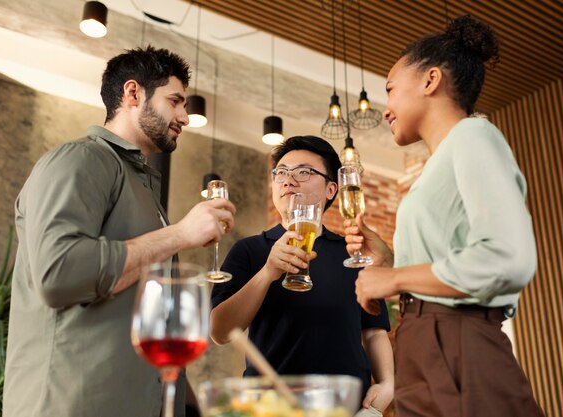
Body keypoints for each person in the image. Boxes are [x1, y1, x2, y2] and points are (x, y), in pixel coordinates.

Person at [2, 46, 235, 417]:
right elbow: (58, 273)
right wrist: (180, 235)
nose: (185, 117)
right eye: (175, 101)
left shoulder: (143, 189)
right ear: (132, 94)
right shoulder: (80, 158)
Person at [344, 15, 545, 417]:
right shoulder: (443, 159)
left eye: (390, 89)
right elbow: (452, 254)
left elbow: (509, 258)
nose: (385, 109)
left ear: (430, 80)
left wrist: (394, 279)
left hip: (453, 338)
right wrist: (392, 261)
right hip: (427, 341)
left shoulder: (473, 135)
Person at [210, 136, 394, 415]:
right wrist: (268, 272)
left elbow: (374, 331)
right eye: (281, 173)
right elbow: (220, 332)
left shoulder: (354, 249)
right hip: (270, 408)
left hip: (348, 407)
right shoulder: (248, 249)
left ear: (331, 189)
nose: (288, 180)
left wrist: (388, 383)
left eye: (303, 172)